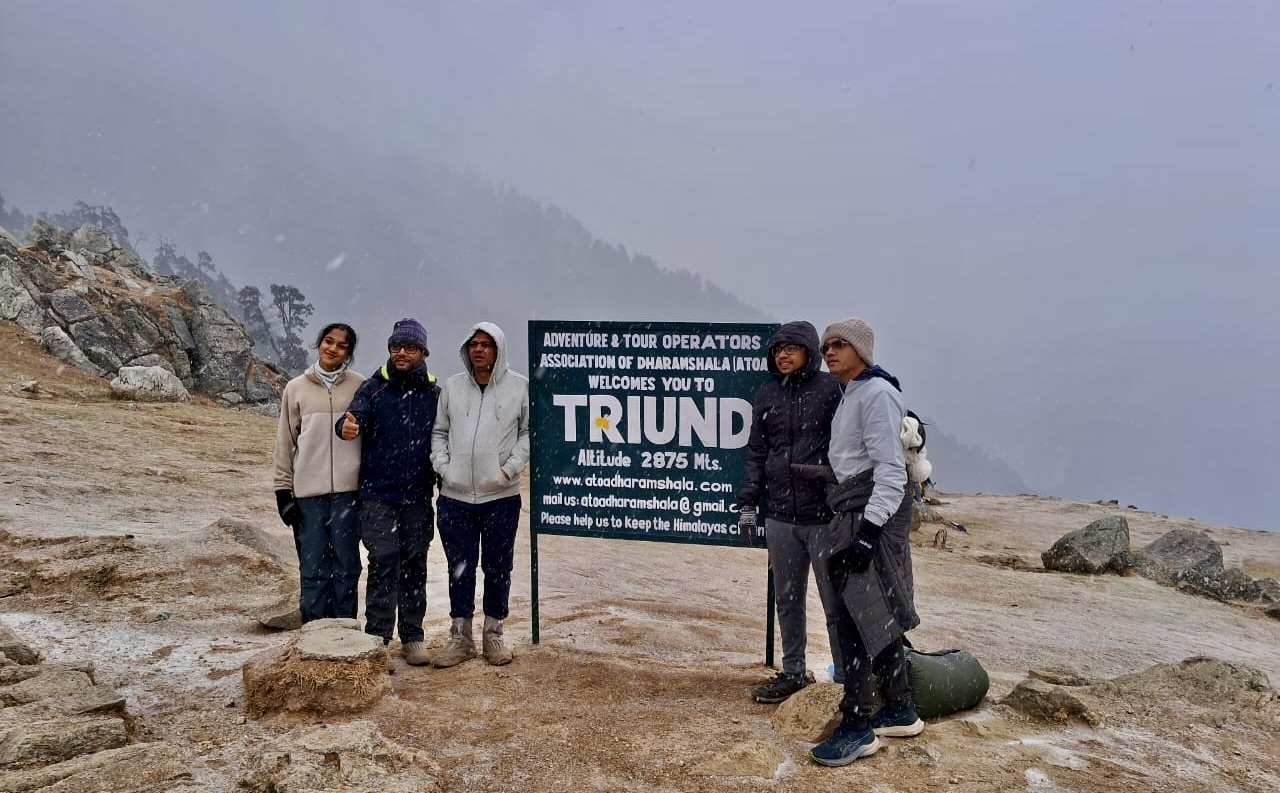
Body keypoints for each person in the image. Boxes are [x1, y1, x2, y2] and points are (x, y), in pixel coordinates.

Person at [807, 317, 922, 767]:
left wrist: (869, 534)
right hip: (852, 508)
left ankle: (858, 725)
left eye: (839, 345)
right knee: (874, 611)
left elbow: (891, 473)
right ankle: (899, 708)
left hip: (864, 515)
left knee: (854, 620)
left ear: (862, 351)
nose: (829, 352)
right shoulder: (855, 392)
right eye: (826, 347)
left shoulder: (876, 394)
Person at [737, 321, 844, 703]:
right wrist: (749, 503)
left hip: (825, 517)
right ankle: (794, 672)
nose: (782, 354)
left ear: (809, 352)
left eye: (791, 348)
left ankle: (847, 679)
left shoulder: (832, 389)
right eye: (778, 348)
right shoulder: (766, 394)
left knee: (835, 602)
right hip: (780, 516)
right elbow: (756, 454)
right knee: (788, 600)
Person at [336, 318, 439, 666]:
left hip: (418, 497)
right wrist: (346, 426)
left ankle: (413, 638)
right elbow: (353, 417)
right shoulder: (373, 387)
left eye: (409, 348)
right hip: (377, 494)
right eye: (396, 347)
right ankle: (378, 639)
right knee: (383, 561)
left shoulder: (434, 394)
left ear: (423, 353)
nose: (401, 353)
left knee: (415, 565)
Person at [430, 321, 530, 667]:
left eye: (486, 344)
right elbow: (439, 432)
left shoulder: (519, 387)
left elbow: (528, 433)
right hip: (454, 496)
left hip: (500, 496)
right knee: (460, 567)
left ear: (499, 349)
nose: (479, 349)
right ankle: (460, 637)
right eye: (473, 343)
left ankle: (494, 634)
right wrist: (445, 468)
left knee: (498, 566)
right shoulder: (453, 387)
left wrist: (509, 469)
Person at [273, 322, 364, 624]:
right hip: (308, 497)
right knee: (313, 569)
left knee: (347, 568)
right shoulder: (295, 388)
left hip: (349, 497)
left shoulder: (360, 386)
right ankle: (313, 635)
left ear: (348, 354)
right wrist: (283, 493)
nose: (333, 349)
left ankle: (344, 634)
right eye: (328, 341)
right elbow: (285, 443)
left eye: (342, 345)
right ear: (318, 344)